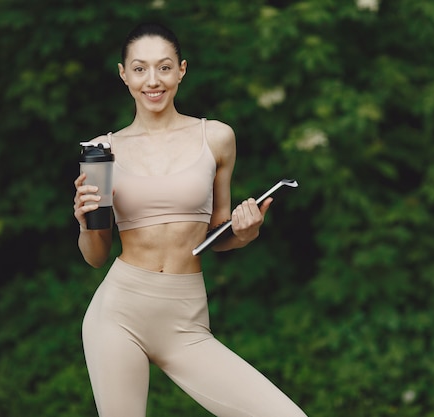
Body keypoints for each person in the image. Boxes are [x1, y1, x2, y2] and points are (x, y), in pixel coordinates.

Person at [73, 22, 307, 417]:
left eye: (164, 68)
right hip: (118, 313)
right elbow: (96, 255)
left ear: (181, 70)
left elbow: (216, 233)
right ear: (123, 74)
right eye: (140, 68)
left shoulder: (215, 138)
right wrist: (84, 221)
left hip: (185, 318)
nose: (153, 80)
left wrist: (244, 233)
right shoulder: (101, 150)